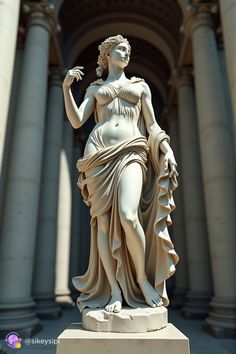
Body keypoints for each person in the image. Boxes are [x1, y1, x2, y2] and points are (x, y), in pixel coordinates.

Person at [63, 34, 179, 313]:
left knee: (128, 215)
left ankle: (141, 280)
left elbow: (151, 125)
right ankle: (114, 291)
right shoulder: (94, 89)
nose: (126, 53)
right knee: (102, 225)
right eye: (121, 49)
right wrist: (66, 88)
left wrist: (166, 148)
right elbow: (78, 120)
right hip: (98, 154)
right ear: (107, 55)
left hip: (132, 151)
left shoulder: (140, 87)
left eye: (128, 50)